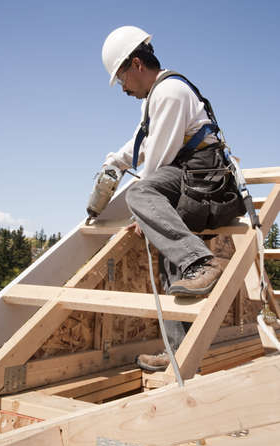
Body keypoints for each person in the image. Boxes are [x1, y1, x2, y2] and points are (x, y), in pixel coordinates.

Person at [101, 26, 245, 371]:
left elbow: (159, 159)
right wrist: (115, 162)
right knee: (170, 255)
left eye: (122, 78)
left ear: (136, 64)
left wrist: (146, 207)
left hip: (206, 182)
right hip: (191, 182)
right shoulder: (155, 98)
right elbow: (142, 143)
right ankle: (179, 352)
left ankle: (204, 263)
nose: (122, 88)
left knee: (141, 192)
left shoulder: (170, 93)